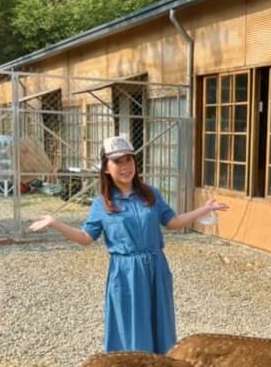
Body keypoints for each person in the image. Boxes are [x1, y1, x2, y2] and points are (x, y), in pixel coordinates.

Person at [30, 135, 228, 354]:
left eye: (129, 160)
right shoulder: (102, 203)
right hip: (125, 273)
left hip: (156, 268)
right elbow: (86, 237)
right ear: (106, 168)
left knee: (161, 321)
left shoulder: (151, 194)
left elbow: (172, 222)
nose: (125, 167)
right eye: (118, 162)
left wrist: (204, 210)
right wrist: (56, 223)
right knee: (131, 325)